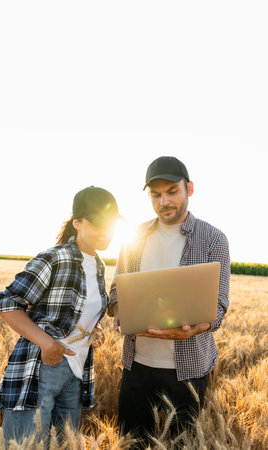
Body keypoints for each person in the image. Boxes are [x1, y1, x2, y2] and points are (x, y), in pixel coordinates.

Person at [108, 156, 230, 446]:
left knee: (181, 444)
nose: (163, 201)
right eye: (155, 195)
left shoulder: (213, 239)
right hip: (137, 366)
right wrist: (119, 311)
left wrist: (195, 328)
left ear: (189, 188)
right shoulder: (133, 237)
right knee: (131, 443)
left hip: (188, 370)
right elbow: (116, 292)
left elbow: (219, 306)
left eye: (171, 191)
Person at [0, 186, 121, 448]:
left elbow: (78, 312)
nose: (105, 231)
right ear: (78, 223)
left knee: (64, 446)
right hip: (41, 368)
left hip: (76, 373)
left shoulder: (100, 267)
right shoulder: (56, 257)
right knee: (27, 445)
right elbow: (6, 303)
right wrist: (47, 343)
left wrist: (92, 330)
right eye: (97, 223)